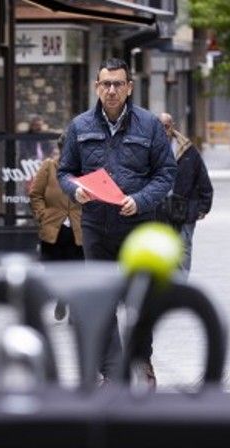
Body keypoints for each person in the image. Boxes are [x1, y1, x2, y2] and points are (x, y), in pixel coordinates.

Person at [58, 57, 176, 385]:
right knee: (102, 300)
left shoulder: (149, 125)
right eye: (106, 84)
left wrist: (140, 200)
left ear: (129, 87)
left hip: (138, 227)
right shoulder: (80, 126)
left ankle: (141, 358)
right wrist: (75, 190)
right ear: (96, 87)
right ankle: (113, 373)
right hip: (96, 226)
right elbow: (64, 172)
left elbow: (166, 173)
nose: (111, 90)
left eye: (118, 84)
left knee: (140, 299)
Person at [29, 133, 83, 320]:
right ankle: (61, 297)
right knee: (53, 271)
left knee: (77, 271)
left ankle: (73, 309)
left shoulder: (84, 170)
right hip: (53, 229)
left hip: (77, 230)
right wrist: (42, 215)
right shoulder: (49, 167)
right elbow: (35, 194)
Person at [155, 112, 213, 274]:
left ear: (172, 127)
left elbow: (202, 176)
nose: (163, 130)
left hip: (185, 208)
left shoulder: (187, 150)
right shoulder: (148, 149)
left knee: (183, 247)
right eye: (159, 127)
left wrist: (204, 206)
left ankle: (181, 282)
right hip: (159, 209)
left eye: (166, 126)